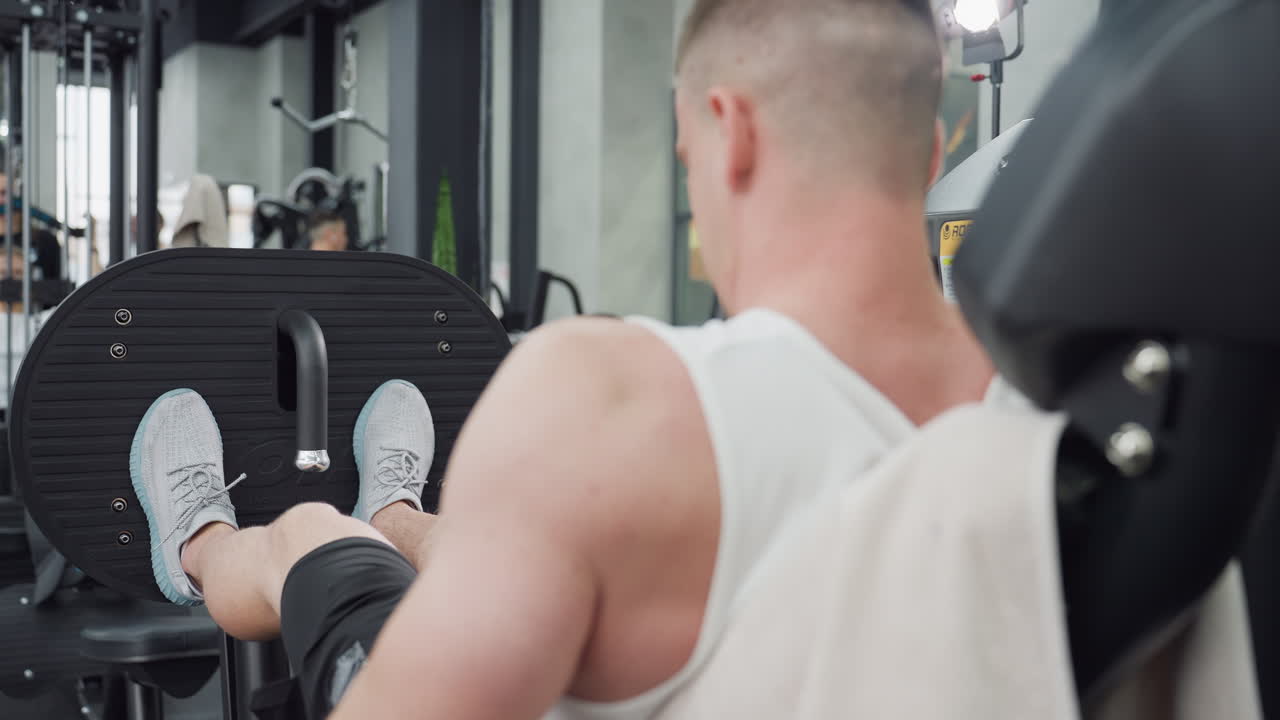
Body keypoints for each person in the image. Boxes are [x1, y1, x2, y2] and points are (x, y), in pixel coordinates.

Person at [130, 1, 1002, 717]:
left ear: (730, 132)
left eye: (687, 160)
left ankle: (200, 541)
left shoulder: (609, 396)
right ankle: (395, 510)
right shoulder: (1042, 419)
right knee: (481, 543)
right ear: (932, 155)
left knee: (310, 535)